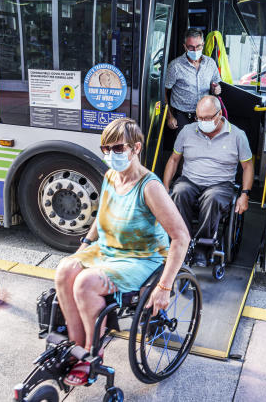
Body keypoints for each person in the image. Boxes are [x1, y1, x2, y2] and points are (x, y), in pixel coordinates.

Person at [54, 117, 190, 386]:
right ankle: (75, 344)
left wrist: (164, 287)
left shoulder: (149, 187)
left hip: (140, 258)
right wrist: (83, 247)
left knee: (85, 283)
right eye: (106, 149)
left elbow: (181, 237)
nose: (110, 154)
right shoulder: (110, 176)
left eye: (118, 149)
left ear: (135, 148)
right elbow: (101, 217)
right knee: (64, 270)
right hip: (107, 249)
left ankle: (93, 354)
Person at [163, 95, 253, 266]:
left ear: (219, 115)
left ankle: (202, 249)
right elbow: (174, 160)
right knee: (179, 192)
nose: (202, 121)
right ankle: (183, 242)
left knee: (212, 198)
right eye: (199, 117)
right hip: (190, 180)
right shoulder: (187, 131)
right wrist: (166, 186)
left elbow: (248, 167)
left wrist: (245, 195)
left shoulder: (237, 136)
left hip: (220, 184)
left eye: (207, 118)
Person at [165, 28, 223, 139]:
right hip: (183, 116)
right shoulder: (175, 66)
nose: (195, 50)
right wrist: (169, 116)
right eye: (191, 47)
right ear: (185, 46)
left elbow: (215, 83)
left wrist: (217, 88)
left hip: (206, 116)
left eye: (198, 46)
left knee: (204, 148)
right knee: (183, 149)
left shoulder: (210, 63)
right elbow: (164, 91)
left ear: (203, 44)